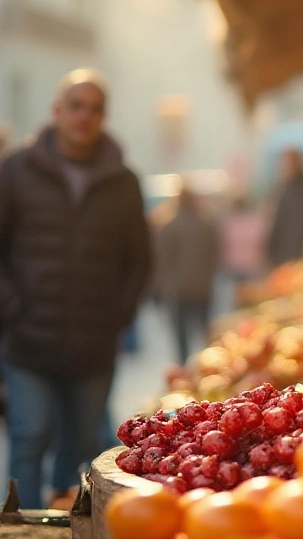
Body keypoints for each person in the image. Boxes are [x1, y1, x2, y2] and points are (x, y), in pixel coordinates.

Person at [0, 69, 151, 509]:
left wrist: (117, 316)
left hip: (93, 343)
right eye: (76, 105)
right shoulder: (15, 171)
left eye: (95, 108)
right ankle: (22, 526)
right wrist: (12, 308)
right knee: (30, 435)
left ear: (104, 117)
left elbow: (139, 261)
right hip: (28, 339)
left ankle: (63, 520)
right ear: (57, 110)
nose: (84, 116)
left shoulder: (124, 181)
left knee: (83, 441)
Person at [154, 182, 220, 363]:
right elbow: (215, 255)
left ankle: (184, 366)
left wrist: (161, 286)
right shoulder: (206, 224)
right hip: (202, 287)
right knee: (204, 330)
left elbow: (162, 260)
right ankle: (210, 363)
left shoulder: (169, 226)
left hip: (178, 289)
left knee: (181, 337)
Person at [221, 193, 267, 304]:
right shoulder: (255, 222)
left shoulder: (229, 223)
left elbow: (224, 244)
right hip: (253, 263)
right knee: (252, 296)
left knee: (239, 297)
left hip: (235, 264)